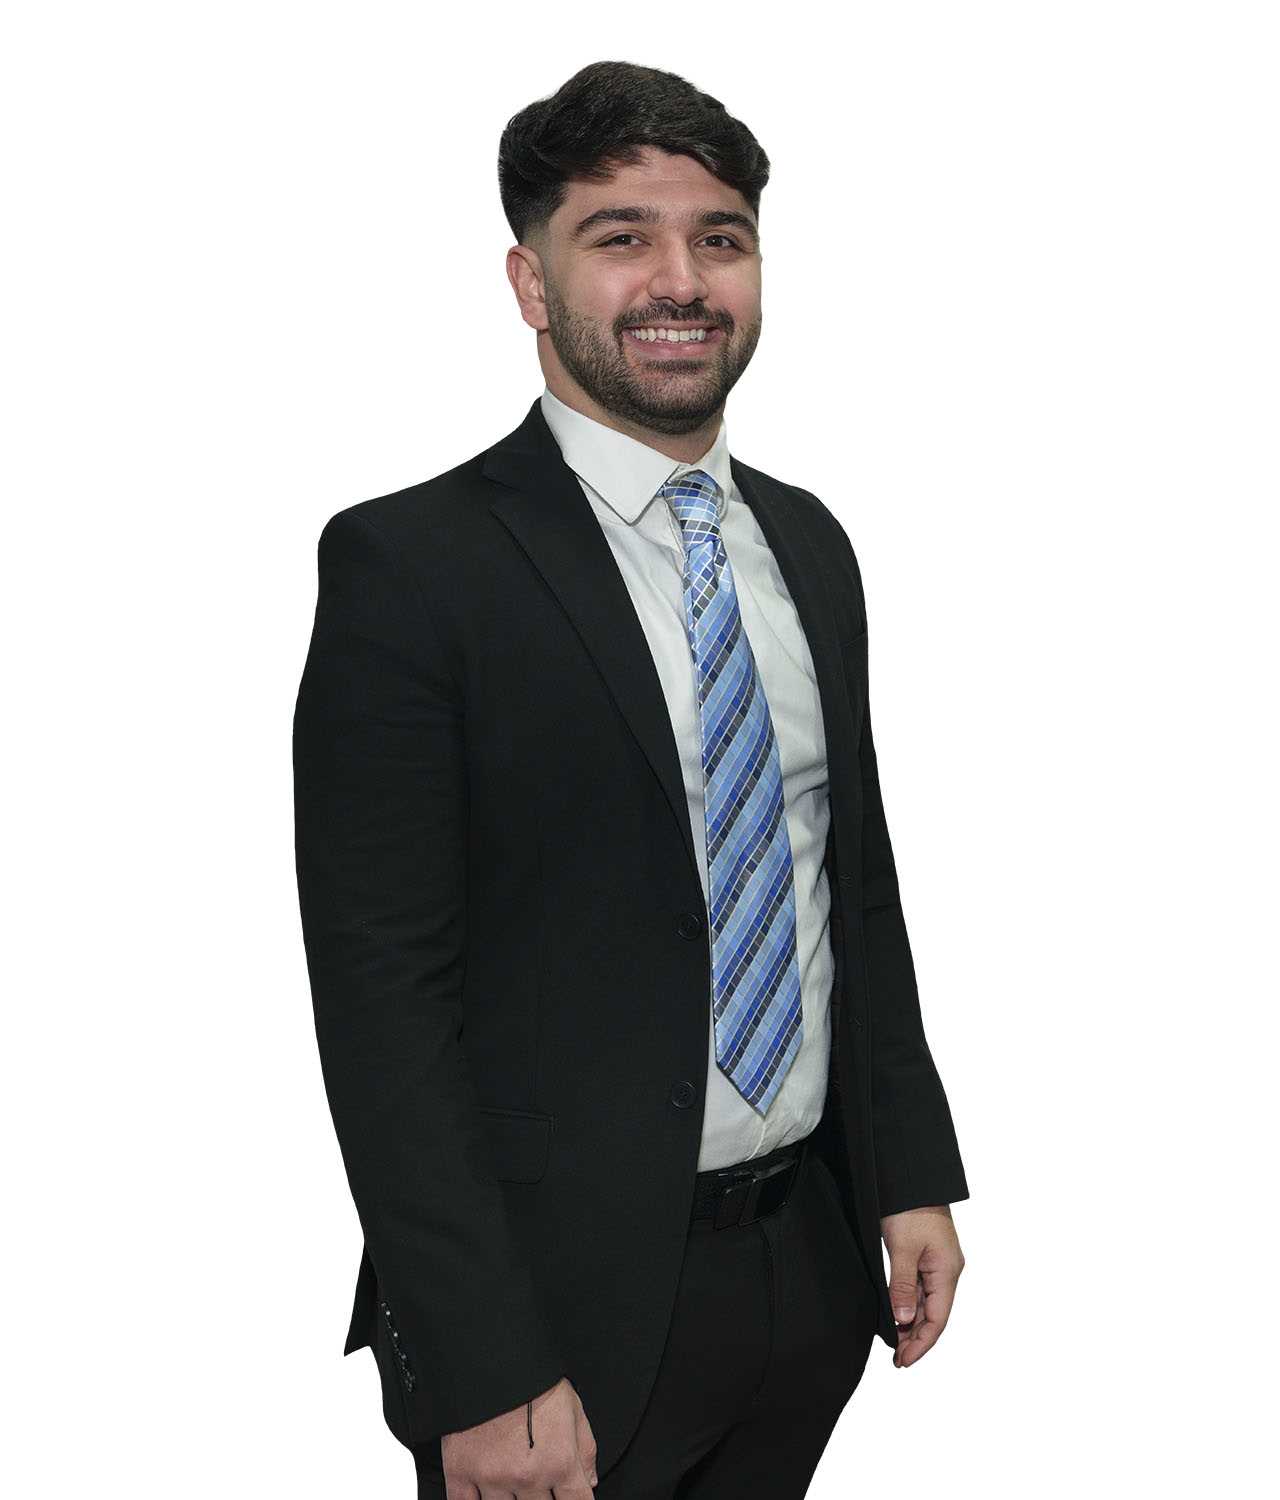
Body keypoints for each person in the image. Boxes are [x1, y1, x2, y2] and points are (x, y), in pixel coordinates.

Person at [292, 59, 969, 1500]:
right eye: (622, 237)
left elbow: (851, 886)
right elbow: (380, 1003)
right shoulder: (412, 567)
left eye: (720, 238)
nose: (682, 280)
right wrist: (480, 1361)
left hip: (808, 1269)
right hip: (556, 1319)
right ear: (530, 284)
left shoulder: (811, 545)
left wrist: (910, 1168)